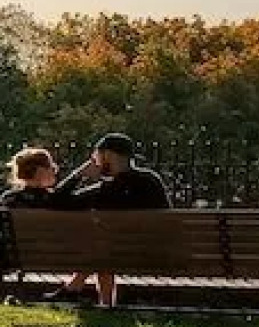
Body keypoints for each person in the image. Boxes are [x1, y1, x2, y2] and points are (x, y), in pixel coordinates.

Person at [44, 132, 172, 307]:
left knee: (102, 245)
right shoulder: (150, 181)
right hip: (155, 251)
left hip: (127, 253)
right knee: (104, 245)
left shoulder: (107, 189)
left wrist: (78, 175)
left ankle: (73, 289)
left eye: (96, 155)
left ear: (108, 155)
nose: (94, 160)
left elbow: (56, 201)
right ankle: (104, 304)